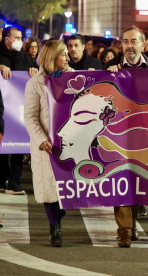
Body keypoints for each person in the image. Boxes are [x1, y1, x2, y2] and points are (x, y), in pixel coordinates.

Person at [104, 25, 148, 248]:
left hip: (145, 135)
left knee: (138, 181)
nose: (129, 46)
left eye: (133, 41)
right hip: (120, 135)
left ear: (143, 44)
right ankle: (124, 230)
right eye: (125, 41)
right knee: (121, 179)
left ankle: (132, 223)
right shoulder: (112, 69)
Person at [24, 40, 74, 247]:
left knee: (69, 189)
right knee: (48, 188)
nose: (68, 58)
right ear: (52, 57)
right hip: (47, 144)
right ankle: (54, 226)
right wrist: (41, 139)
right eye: (63, 55)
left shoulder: (75, 78)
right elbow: (30, 116)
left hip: (70, 143)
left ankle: (59, 215)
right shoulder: (34, 83)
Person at [0, 27, 38, 195]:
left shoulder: (23, 56)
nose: (19, 40)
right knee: (2, 145)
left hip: (18, 107)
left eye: (21, 37)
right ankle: (2, 179)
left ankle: (15, 180)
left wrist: (33, 70)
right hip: (2, 108)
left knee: (18, 143)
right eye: (16, 37)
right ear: (6, 39)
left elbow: (30, 71)